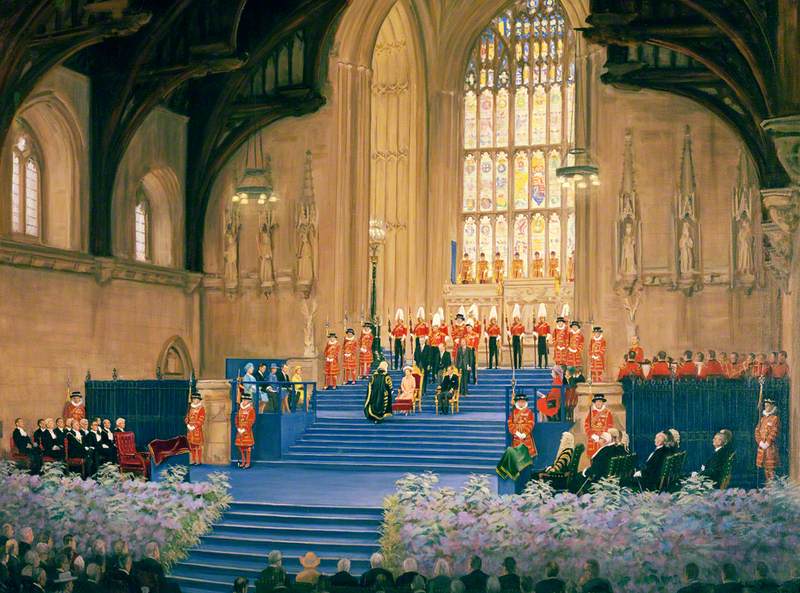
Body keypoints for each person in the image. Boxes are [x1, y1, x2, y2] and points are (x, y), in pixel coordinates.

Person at [755, 398, 780, 482]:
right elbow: (757, 431)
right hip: (762, 447)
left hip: (770, 448)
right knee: (765, 467)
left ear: (772, 407)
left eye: (768, 406)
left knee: (771, 468)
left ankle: (772, 485)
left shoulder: (775, 418)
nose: (766, 407)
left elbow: (774, 431)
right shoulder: (762, 419)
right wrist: (760, 442)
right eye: (765, 406)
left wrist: (768, 442)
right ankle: (767, 484)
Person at [584, 395, 614, 459]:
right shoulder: (591, 413)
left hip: (603, 440)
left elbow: (610, 427)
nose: (598, 403)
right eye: (596, 401)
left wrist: (603, 437)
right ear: (594, 403)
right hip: (593, 440)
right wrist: (594, 436)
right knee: (593, 460)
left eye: (600, 401)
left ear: (603, 402)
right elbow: (586, 426)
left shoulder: (608, 413)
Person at [235, 392, 256, 469]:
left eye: (246, 400)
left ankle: (248, 462)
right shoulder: (240, 409)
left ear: (249, 401)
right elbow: (237, 419)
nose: (244, 401)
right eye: (243, 399)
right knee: (240, 447)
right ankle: (243, 461)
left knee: (247, 447)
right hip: (240, 430)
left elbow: (251, 420)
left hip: (246, 430)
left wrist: (245, 429)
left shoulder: (251, 409)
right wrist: (238, 428)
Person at [185, 389, 206, 465]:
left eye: (196, 399)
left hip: (196, 429)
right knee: (192, 445)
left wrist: (195, 426)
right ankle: (193, 460)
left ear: (199, 400)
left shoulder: (201, 408)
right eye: (194, 399)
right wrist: (187, 424)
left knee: (198, 445)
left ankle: (199, 461)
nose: (195, 400)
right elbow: (187, 417)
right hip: (190, 430)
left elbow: (202, 419)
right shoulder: (190, 408)